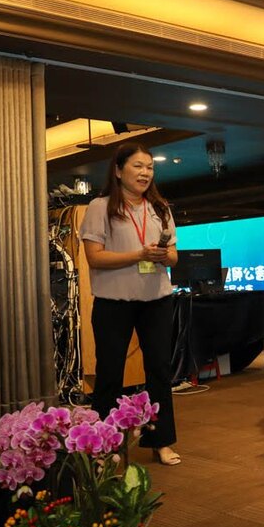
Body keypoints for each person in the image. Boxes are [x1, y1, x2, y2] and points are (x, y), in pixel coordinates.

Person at [80, 142, 181, 466]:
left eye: (149, 167)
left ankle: (161, 441)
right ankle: (104, 446)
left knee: (159, 372)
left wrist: (163, 255)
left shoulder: (160, 208)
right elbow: (95, 258)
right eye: (137, 166)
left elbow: (174, 257)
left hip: (156, 300)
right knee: (110, 373)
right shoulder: (100, 207)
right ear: (118, 170)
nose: (145, 173)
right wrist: (139, 255)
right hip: (114, 302)